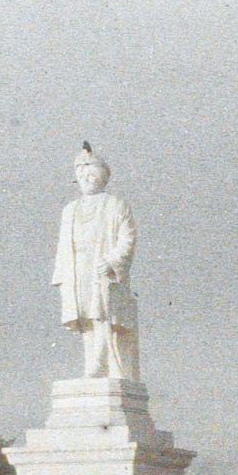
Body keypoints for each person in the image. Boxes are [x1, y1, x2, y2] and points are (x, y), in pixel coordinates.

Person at [52, 142, 139, 380]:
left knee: (102, 314)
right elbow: (63, 245)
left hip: (104, 269)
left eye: (90, 174)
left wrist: (112, 260)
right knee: (85, 319)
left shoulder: (115, 204)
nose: (85, 178)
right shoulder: (70, 209)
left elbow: (127, 237)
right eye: (80, 174)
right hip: (78, 268)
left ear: (100, 176)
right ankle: (92, 363)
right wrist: (61, 277)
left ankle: (99, 365)